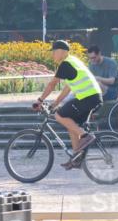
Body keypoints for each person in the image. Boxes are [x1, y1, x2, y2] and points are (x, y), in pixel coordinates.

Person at [34, 40, 103, 169]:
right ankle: (76, 158)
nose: (52, 55)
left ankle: (85, 136)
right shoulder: (73, 62)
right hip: (93, 97)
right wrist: (54, 103)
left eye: (54, 51)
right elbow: (68, 88)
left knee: (59, 116)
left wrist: (40, 100)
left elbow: (52, 84)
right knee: (71, 124)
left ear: (62, 51)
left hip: (87, 98)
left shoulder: (65, 64)